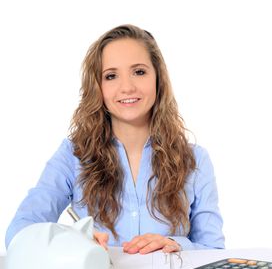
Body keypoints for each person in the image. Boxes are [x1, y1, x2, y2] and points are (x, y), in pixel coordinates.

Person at [5, 24, 224, 254]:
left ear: (158, 78)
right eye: (111, 76)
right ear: (97, 87)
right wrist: (71, 240)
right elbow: (19, 233)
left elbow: (215, 251)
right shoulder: (73, 155)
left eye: (139, 72)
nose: (127, 87)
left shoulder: (195, 159)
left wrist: (177, 245)